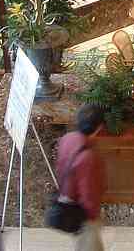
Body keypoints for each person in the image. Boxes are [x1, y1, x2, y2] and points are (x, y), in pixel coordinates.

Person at [55, 104, 107, 251]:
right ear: (99, 128)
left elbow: (60, 167)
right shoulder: (88, 157)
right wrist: (93, 217)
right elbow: (88, 194)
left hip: (67, 201)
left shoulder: (67, 139)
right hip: (84, 215)